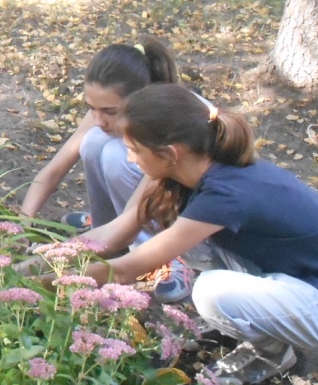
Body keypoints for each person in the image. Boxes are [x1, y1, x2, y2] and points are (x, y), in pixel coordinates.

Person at [39, 84, 318, 385]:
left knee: (209, 293)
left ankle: (273, 352)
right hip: (289, 277)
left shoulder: (225, 194)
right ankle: (256, 321)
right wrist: (44, 260)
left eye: (134, 150)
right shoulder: (195, 167)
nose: (130, 159)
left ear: (169, 153)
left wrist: (43, 283)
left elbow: (126, 269)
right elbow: (122, 230)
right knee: (187, 247)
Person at [18, 38, 190, 302]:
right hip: (130, 216)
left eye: (110, 111)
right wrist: (23, 221)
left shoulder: (167, 126)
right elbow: (53, 171)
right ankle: (100, 230)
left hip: (189, 223)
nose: (98, 119)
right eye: (91, 108)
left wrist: (37, 268)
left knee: (113, 155)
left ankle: (160, 256)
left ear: (142, 99)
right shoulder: (107, 114)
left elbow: (124, 228)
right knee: (95, 141)